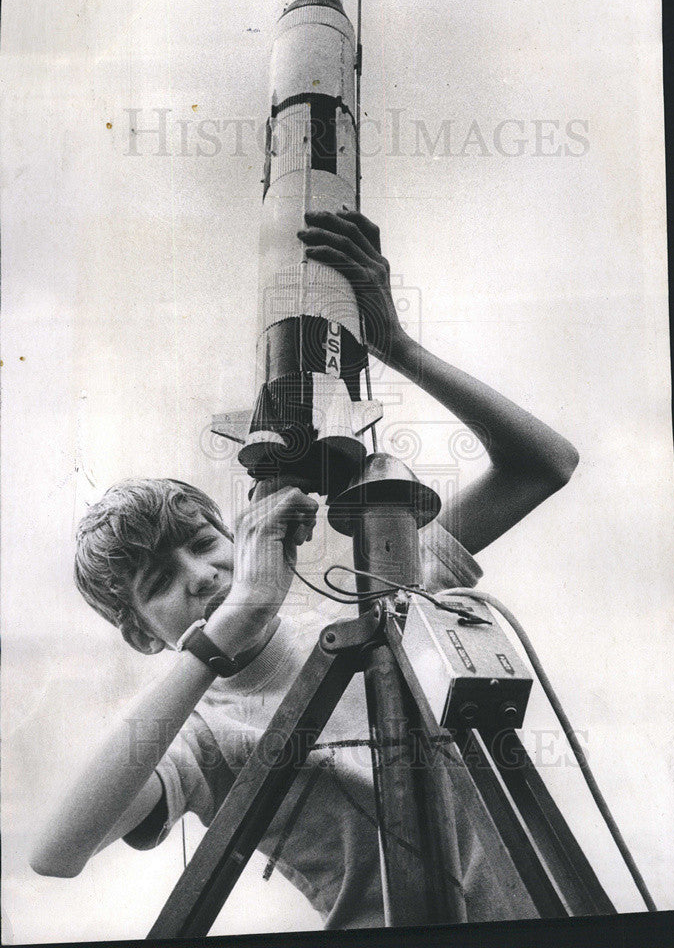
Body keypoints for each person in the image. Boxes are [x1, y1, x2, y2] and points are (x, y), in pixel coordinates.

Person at [30, 210, 579, 929]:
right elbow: (55, 851)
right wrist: (224, 632)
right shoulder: (200, 735)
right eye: (159, 583)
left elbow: (543, 466)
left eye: (203, 543)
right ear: (142, 636)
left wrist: (397, 346)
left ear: (237, 533)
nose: (198, 575)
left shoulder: (366, 589)